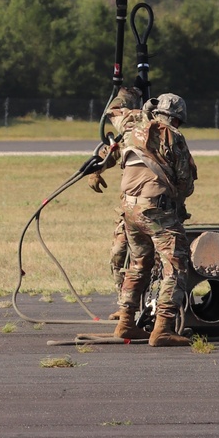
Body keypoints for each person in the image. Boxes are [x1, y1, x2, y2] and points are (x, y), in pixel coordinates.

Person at [112, 92, 197, 347]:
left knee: (139, 263)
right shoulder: (174, 136)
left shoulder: (133, 128)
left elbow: (114, 112)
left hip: (128, 209)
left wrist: (131, 94)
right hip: (155, 210)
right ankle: (162, 328)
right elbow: (185, 181)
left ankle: (125, 322)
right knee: (176, 264)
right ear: (178, 118)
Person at [88, 86, 143, 318]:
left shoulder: (157, 130)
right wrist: (96, 169)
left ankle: (150, 309)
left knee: (149, 262)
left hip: (157, 210)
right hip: (130, 209)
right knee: (119, 255)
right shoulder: (133, 133)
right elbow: (115, 151)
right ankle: (126, 307)